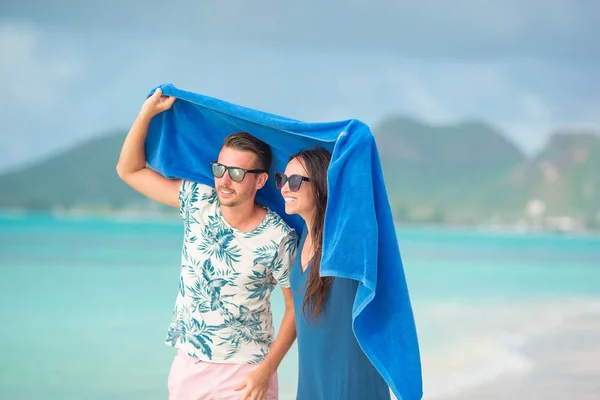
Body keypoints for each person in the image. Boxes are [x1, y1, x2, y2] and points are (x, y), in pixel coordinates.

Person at [116, 88, 298, 400]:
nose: (224, 180)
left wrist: (267, 370)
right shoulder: (198, 199)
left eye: (237, 173)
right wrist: (146, 113)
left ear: (260, 180)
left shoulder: (278, 238)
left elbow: (295, 309)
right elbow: (129, 170)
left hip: (246, 373)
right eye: (220, 169)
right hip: (189, 365)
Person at [276, 147, 391, 400]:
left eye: (295, 181)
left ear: (320, 185)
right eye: (282, 180)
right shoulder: (303, 236)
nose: (285, 188)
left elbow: (361, 191)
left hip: (351, 384)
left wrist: (356, 139)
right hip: (311, 382)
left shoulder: (344, 243)